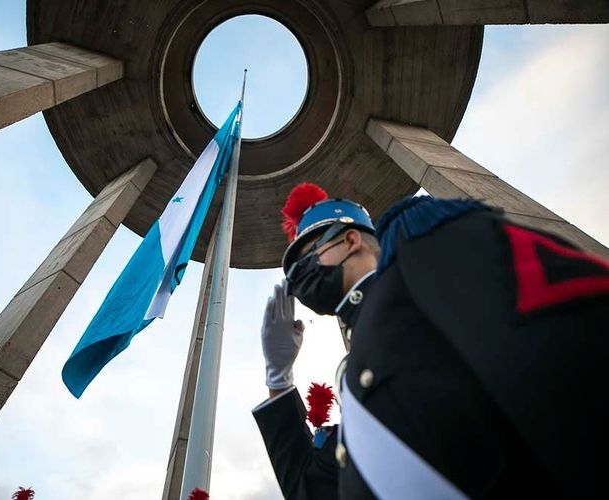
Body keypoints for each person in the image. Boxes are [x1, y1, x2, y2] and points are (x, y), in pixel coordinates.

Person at [252, 183, 609, 499]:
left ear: (350, 239)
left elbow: (576, 352)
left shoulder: (421, 258)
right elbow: (308, 490)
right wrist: (278, 379)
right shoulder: (356, 386)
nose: (298, 277)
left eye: (308, 257)